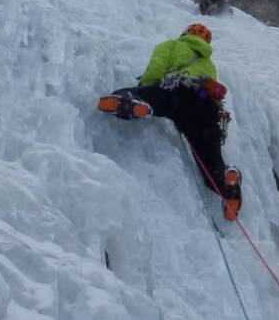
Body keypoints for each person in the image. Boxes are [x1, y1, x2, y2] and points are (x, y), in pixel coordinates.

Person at [97, 23, 241, 221]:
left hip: (178, 92)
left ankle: (132, 102)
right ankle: (225, 183)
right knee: (208, 158)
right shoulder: (209, 64)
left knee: (144, 96)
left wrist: (146, 87)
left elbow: (156, 70)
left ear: (186, 33)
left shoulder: (172, 44)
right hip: (205, 108)